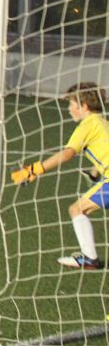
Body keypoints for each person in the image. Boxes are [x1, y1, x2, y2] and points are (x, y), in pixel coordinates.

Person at [12, 82, 109, 269]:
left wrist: (35, 169)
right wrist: (95, 174)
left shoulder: (87, 125)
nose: (69, 109)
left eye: (72, 104)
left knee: (76, 209)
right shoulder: (103, 122)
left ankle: (89, 258)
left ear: (84, 107)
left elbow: (67, 154)